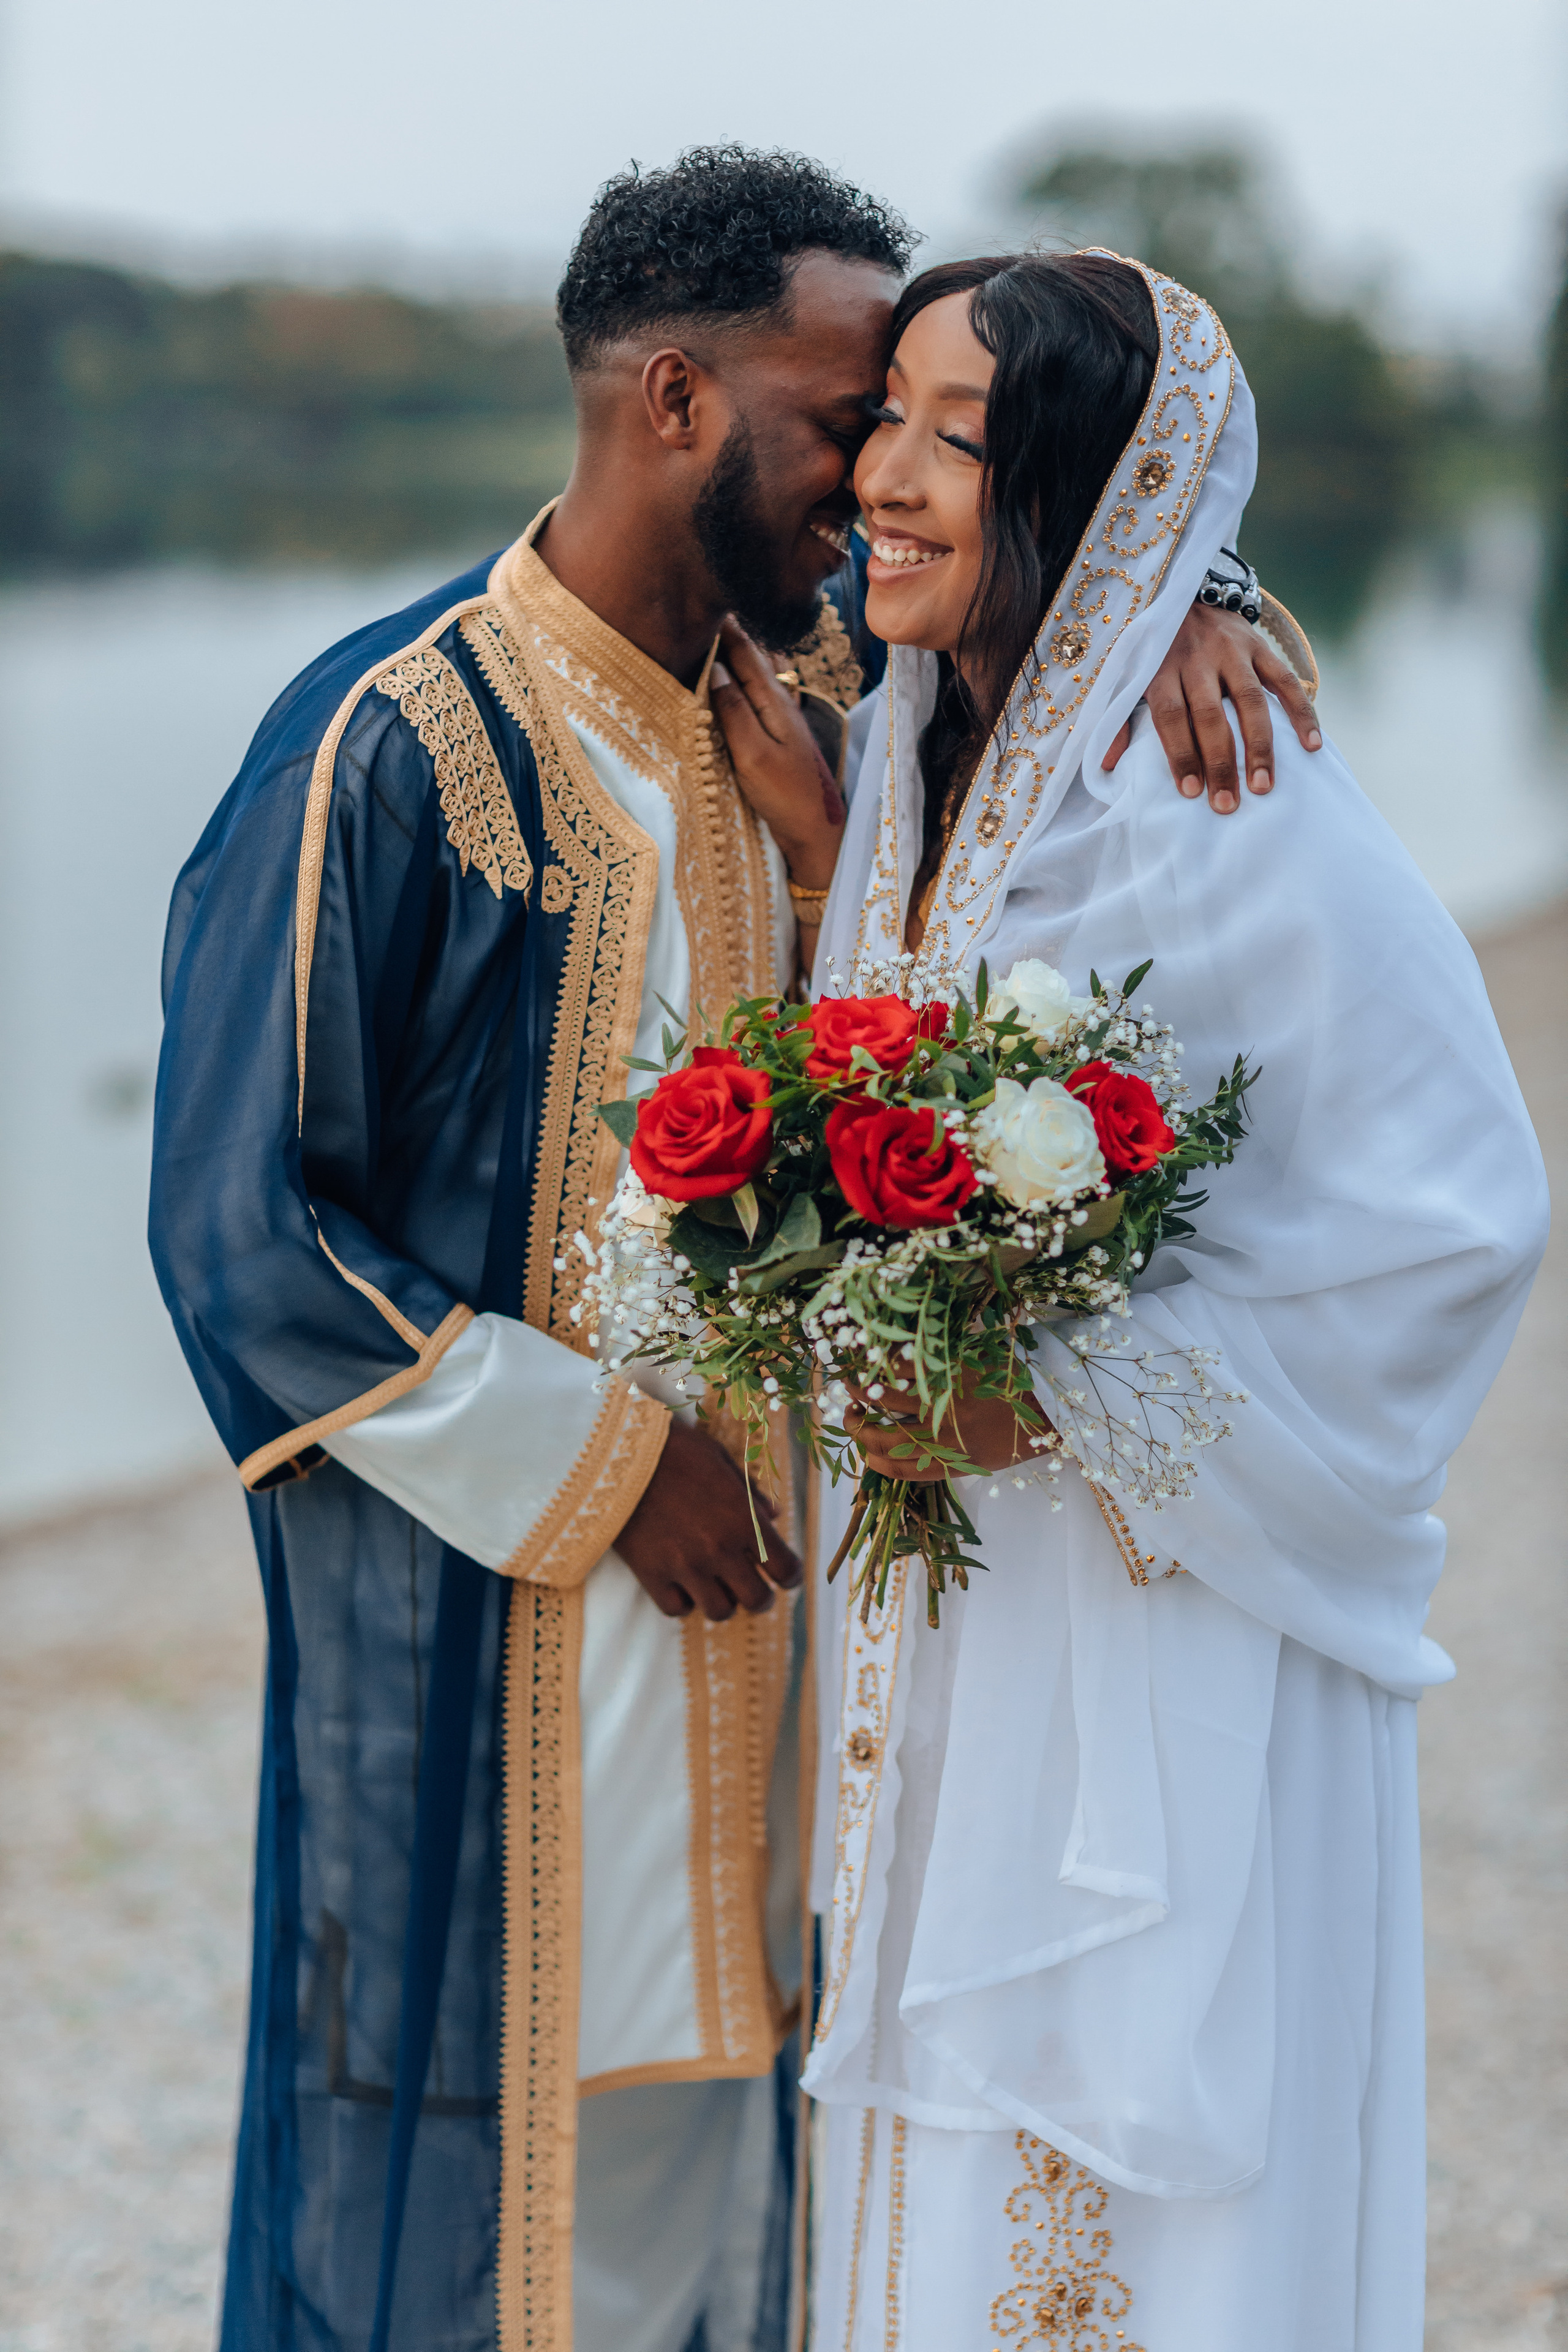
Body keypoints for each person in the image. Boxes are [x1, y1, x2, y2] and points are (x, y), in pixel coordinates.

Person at [149, 155, 1319, 2352]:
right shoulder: (392, 748)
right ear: (673, 398)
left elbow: (1055, 586)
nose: (874, 474)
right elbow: (245, 1232)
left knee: (766, 2211)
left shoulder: (841, 702)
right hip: (516, 1657)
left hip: (822, 1664)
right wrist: (612, 1466)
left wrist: (1203, 594)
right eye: (839, 416)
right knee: (482, 2223)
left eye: (900, 427)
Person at [715, 251, 1547, 2350]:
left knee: (1130, 2216)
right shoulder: (920, 753)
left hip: (1167, 1614)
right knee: (938, 2166)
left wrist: (1077, 1401)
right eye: (884, 417)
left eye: (959, 439)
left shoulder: (1225, 798)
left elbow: (1462, 1219)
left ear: (1085, 499)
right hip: (957, 1612)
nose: (882, 479)